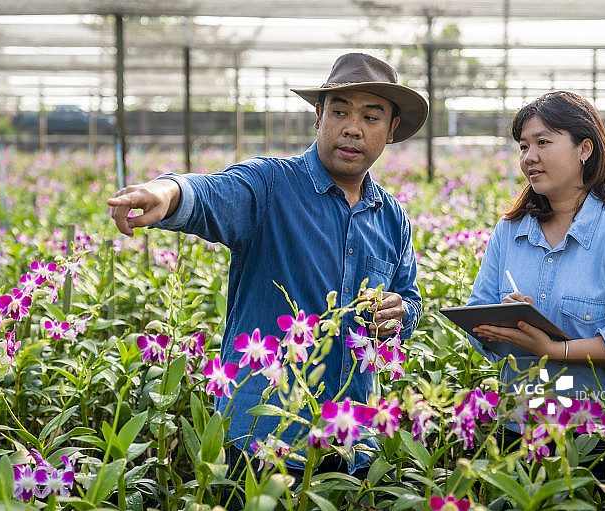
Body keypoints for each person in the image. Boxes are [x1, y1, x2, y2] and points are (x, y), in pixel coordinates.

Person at [107, 53, 428, 480]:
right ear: (318, 117)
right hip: (262, 436)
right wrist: (167, 193)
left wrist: (400, 314)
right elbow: (211, 194)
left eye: (371, 117)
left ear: (390, 132)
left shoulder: (392, 218)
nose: (353, 128)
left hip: (350, 438)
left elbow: (410, 298)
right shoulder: (270, 185)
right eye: (340, 112)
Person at [466, 91, 605, 475]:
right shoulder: (509, 232)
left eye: (543, 142)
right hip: (520, 428)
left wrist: (554, 349)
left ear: (584, 148)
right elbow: (477, 316)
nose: (529, 157)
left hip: (601, 438)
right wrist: (502, 323)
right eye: (524, 146)